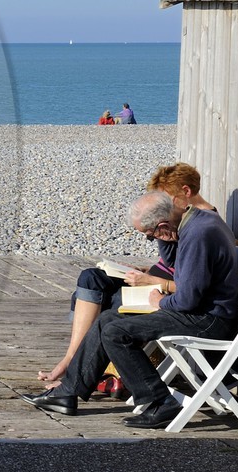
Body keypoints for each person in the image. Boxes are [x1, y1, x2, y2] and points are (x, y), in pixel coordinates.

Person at [27, 188, 238, 428]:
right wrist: (163, 237)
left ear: (163, 224)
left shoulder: (198, 235)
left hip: (208, 319)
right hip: (203, 311)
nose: (152, 239)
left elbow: (187, 299)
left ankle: (160, 403)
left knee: (116, 333)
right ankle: (67, 392)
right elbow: (174, 264)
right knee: (109, 319)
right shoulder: (193, 223)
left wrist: (160, 302)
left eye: (150, 235)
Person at [34, 162, 217, 387]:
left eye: (165, 200)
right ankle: (71, 359)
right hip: (152, 279)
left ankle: (83, 372)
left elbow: (190, 283)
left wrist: (152, 279)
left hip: (160, 290)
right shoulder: (180, 222)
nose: (162, 206)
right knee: (91, 277)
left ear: (185, 193)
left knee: (110, 304)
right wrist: (148, 266)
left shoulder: (201, 227)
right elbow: (171, 261)